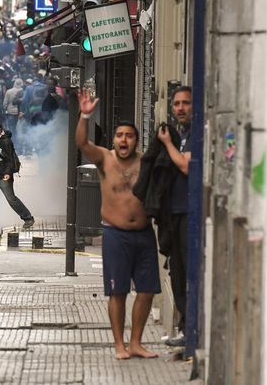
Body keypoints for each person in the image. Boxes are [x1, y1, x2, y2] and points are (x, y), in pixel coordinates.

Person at [76, 88, 159, 360]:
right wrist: (85, 115)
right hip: (116, 235)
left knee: (146, 292)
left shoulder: (145, 161)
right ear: (114, 139)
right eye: (120, 135)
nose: (124, 140)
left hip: (144, 234)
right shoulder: (104, 159)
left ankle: (136, 342)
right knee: (118, 292)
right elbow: (82, 144)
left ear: (136, 140)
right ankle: (119, 344)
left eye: (129, 135)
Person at [158, 86, 192, 347]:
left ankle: (190, 330)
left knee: (189, 272)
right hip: (173, 215)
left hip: (189, 214)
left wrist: (168, 144)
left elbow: (184, 165)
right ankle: (183, 328)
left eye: (186, 103)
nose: (180, 108)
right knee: (177, 273)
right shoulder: (177, 134)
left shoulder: (191, 136)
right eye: (177, 104)